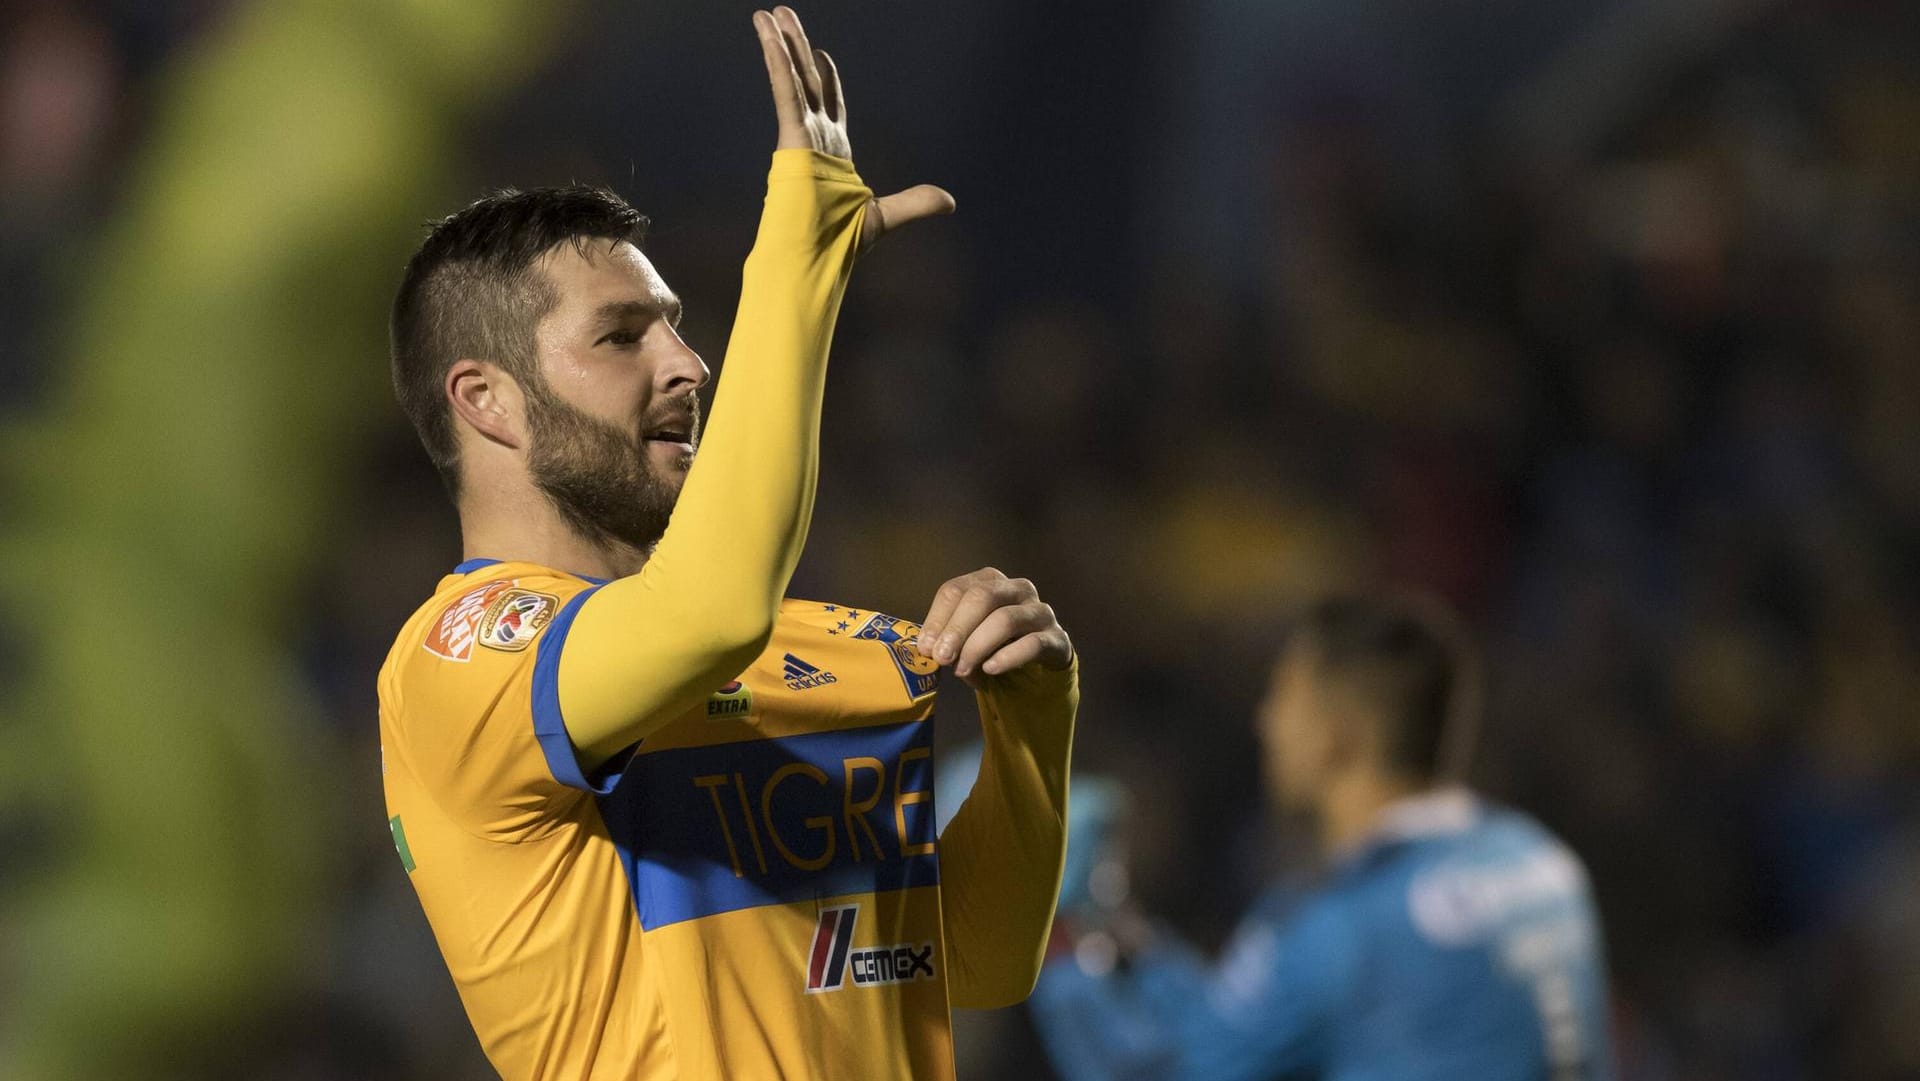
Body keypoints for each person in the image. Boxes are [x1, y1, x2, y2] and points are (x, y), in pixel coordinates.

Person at [376, 9, 1078, 1079]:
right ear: (488, 402)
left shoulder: (844, 657)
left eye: (675, 322)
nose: (689, 362)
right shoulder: (465, 664)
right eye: (622, 335)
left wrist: (1032, 723)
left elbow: (977, 963)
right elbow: (711, 609)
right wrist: (796, 263)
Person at [1032, 595, 1614, 1081]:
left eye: (1284, 695)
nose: (1266, 721)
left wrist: (1052, 928)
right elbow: (1252, 1018)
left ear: (1337, 732)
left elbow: (1173, 1069)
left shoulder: (1341, 931)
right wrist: (1132, 939)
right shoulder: (1543, 864)